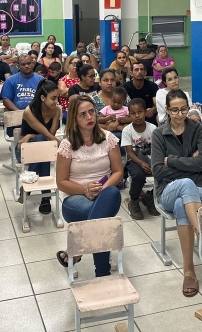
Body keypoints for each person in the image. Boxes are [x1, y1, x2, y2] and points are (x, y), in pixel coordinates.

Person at [151, 89, 202, 298]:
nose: (180, 114)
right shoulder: (158, 134)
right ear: (167, 110)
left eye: (184, 109)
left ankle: (189, 271)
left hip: (198, 190)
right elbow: (157, 170)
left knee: (183, 205)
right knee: (186, 183)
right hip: (168, 190)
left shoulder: (197, 129)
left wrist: (171, 160)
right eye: (175, 110)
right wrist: (191, 164)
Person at [56, 96, 123, 277]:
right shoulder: (67, 144)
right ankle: (102, 272)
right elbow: (61, 183)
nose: (89, 117)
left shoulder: (108, 138)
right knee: (102, 221)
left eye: (91, 111)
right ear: (74, 119)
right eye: (82, 114)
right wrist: (85, 189)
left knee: (111, 192)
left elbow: (118, 172)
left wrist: (102, 189)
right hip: (75, 199)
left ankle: (78, 249)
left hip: (104, 194)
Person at [17, 79, 61, 214]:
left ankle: (27, 185)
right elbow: (47, 134)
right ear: (42, 97)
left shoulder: (56, 110)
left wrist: (31, 135)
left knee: (42, 143)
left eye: (57, 97)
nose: (56, 101)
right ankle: (46, 197)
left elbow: (50, 135)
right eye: (53, 98)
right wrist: (59, 142)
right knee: (42, 142)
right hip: (23, 149)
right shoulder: (29, 111)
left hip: (43, 148)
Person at [121, 99, 159, 220]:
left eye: (140, 112)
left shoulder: (153, 128)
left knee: (165, 172)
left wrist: (152, 163)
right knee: (138, 176)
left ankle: (150, 197)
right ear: (129, 114)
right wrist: (142, 163)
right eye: (133, 113)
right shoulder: (127, 130)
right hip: (134, 160)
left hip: (151, 158)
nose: (137, 116)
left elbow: (157, 149)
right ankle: (134, 201)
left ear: (146, 112)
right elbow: (129, 153)